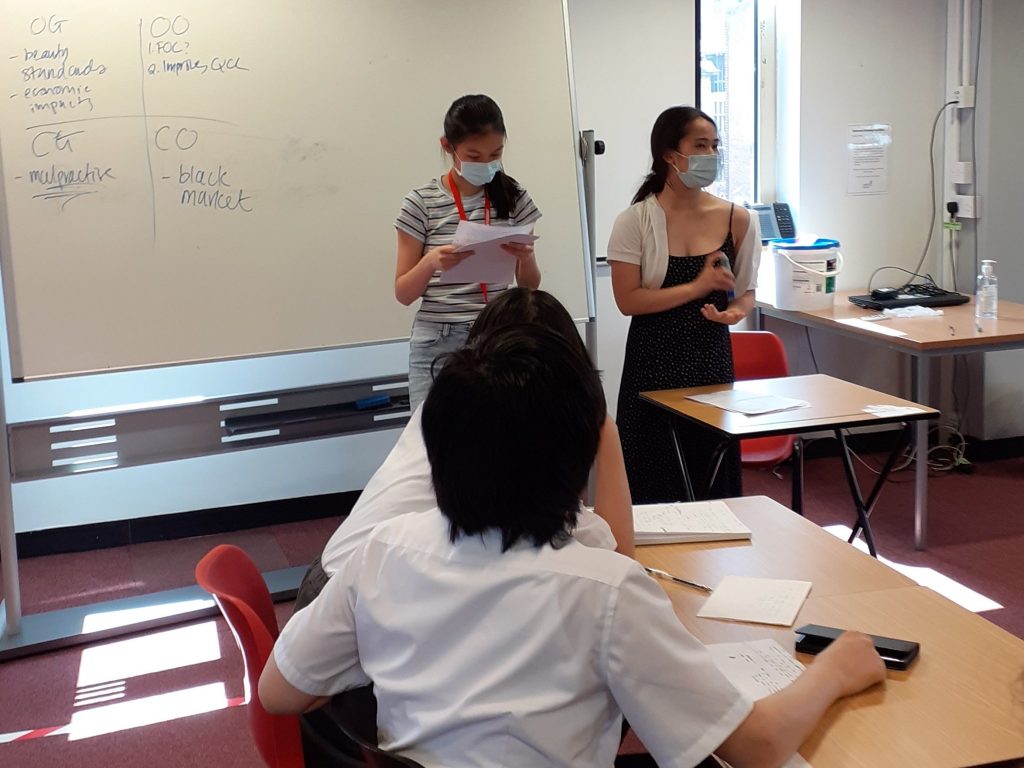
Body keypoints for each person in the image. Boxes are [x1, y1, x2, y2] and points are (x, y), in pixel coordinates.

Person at [259, 324, 886, 768]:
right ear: (576, 458)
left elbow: (280, 694)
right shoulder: (605, 590)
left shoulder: (386, 550)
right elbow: (755, 747)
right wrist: (835, 669)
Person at [292, 287, 634, 612]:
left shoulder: (449, 408)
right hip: (357, 597)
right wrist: (606, 430)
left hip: (340, 574)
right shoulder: (512, 425)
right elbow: (617, 563)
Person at [607, 106, 761, 504]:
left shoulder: (737, 218)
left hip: (710, 361)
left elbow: (746, 293)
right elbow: (628, 301)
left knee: (710, 476)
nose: (711, 155)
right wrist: (698, 287)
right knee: (651, 477)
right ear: (669, 154)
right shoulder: (636, 221)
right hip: (652, 363)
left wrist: (735, 312)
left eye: (715, 146)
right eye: (700, 146)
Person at [395, 93, 542, 411]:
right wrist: (432, 261)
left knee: (494, 446)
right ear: (448, 146)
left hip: (496, 334)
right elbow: (403, 293)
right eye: (474, 156)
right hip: (437, 339)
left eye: (496, 154)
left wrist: (525, 256)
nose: (487, 164)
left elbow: (530, 286)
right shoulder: (421, 203)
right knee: (431, 444)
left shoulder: (513, 196)